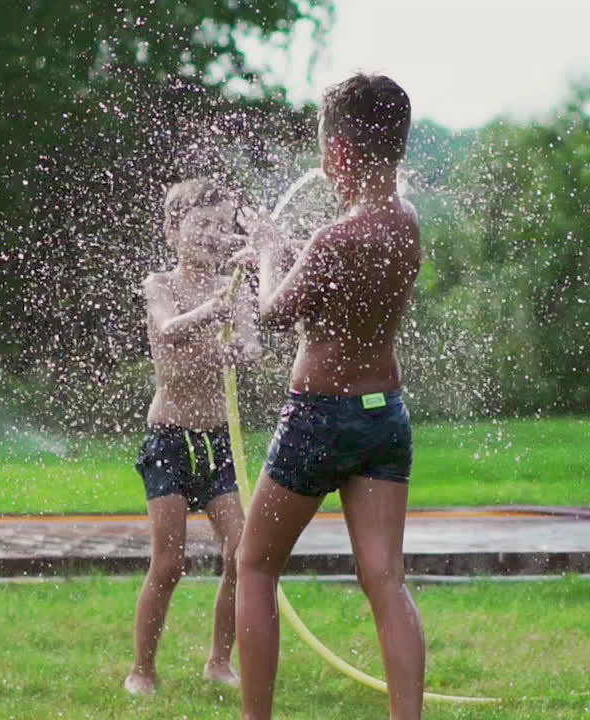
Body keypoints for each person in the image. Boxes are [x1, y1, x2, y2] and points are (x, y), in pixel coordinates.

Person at [236, 74, 424, 720]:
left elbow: (272, 312)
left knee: (255, 565)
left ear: (340, 154)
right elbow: (339, 285)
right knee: (386, 579)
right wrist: (286, 252)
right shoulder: (405, 225)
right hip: (385, 419)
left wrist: (265, 250)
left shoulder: (333, 240)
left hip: (320, 419)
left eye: (324, 153)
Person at [124, 178, 259, 697]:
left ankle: (219, 660)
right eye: (200, 224)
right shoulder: (160, 284)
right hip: (170, 441)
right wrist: (209, 313)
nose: (211, 233)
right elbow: (169, 328)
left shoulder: (236, 286)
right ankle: (142, 669)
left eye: (221, 226)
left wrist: (242, 351)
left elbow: (250, 344)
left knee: (240, 554)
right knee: (170, 561)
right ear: (172, 230)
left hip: (219, 443)